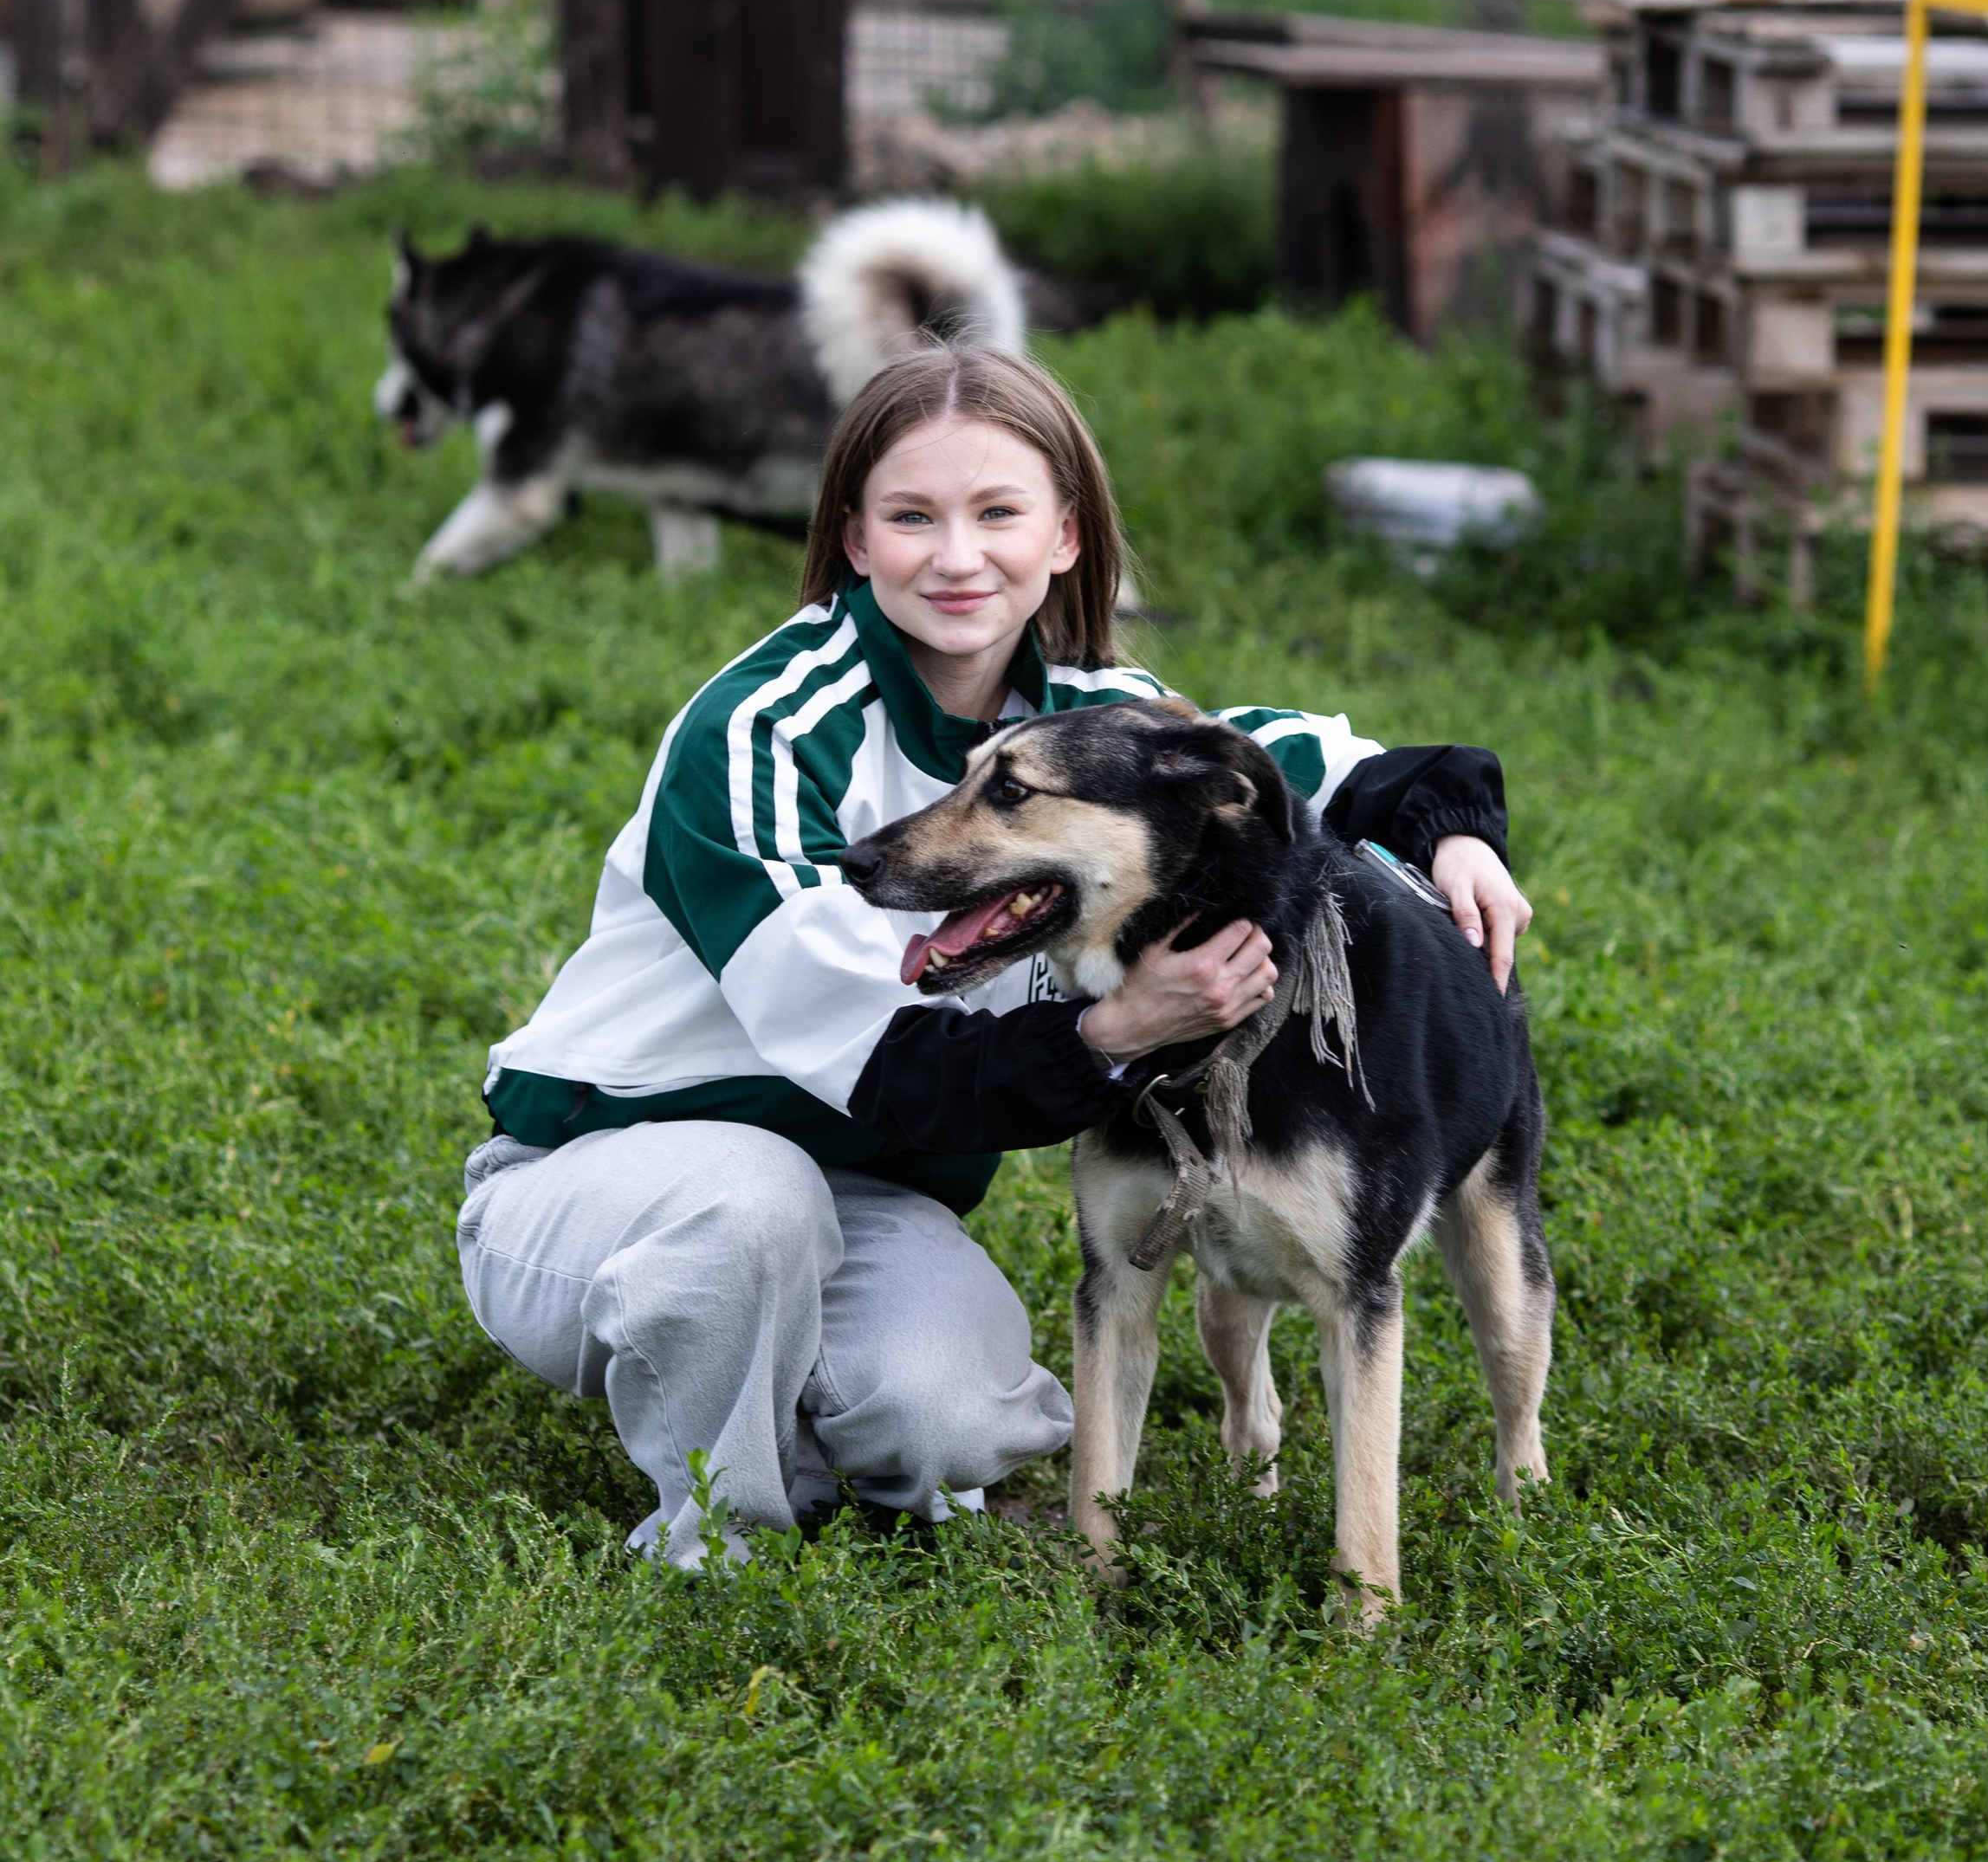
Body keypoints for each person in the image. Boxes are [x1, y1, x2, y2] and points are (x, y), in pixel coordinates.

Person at [457, 346, 1531, 1564]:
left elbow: (1289, 757)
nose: (959, 555)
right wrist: (1121, 1033)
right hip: (616, 1177)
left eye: (999, 512)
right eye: (912, 514)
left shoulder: (1085, 707)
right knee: (748, 1205)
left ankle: (788, 1418)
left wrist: (1453, 838)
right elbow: (894, 1067)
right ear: (854, 538)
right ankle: (721, 1548)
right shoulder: (759, 732)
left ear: (1066, 537)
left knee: (949, 1420)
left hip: (864, 1200)